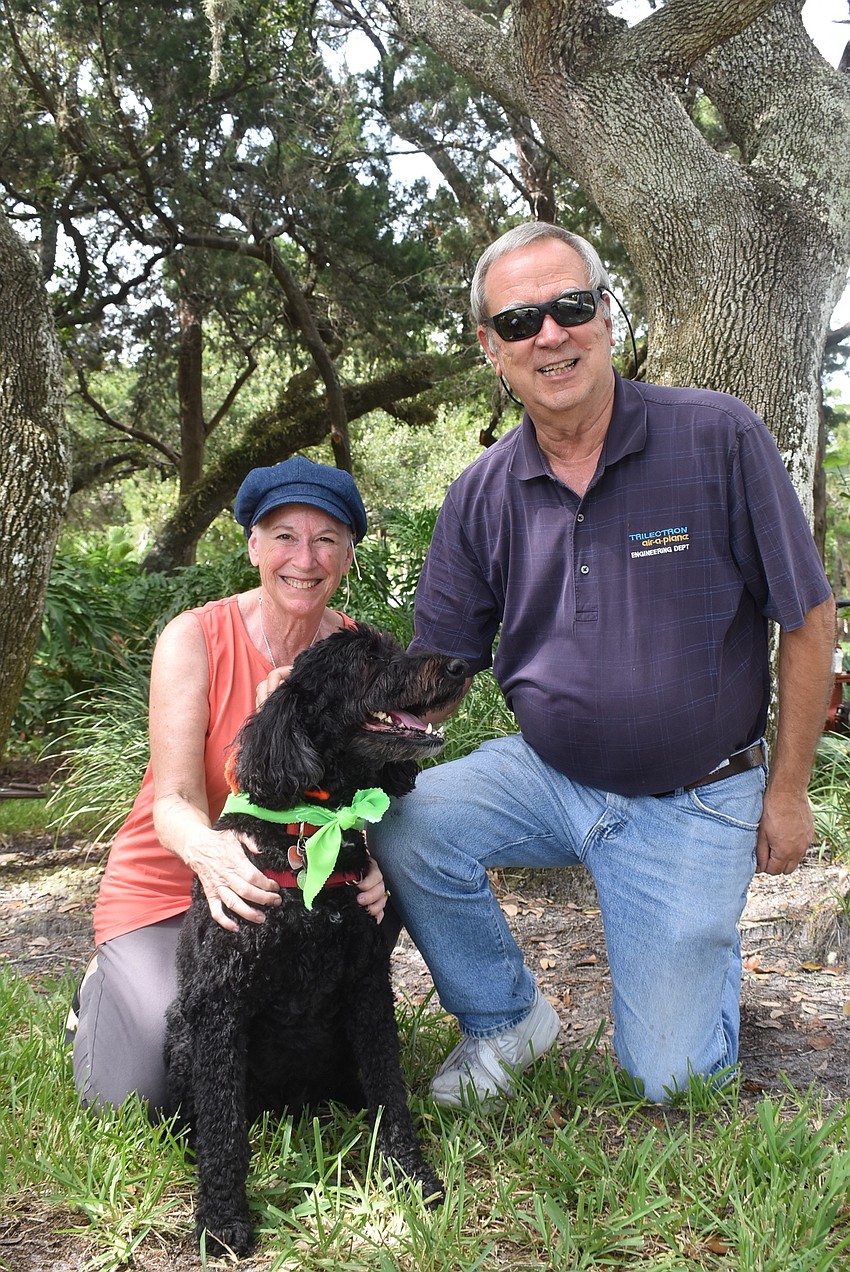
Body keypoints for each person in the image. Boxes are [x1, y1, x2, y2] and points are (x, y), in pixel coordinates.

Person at [370, 222, 836, 1107]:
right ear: (491, 350)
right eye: (519, 322)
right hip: (549, 775)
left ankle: (698, 956)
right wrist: (341, 752)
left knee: (668, 1084)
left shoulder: (717, 437)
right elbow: (438, 672)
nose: (550, 335)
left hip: (697, 796)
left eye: (570, 307)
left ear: (607, 315)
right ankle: (505, 1019)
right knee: (408, 822)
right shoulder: (480, 495)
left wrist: (788, 789)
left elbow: (808, 621)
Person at [71, 458, 389, 1112]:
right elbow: (175, 801)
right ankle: (103, 990)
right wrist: (212, 853)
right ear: (252, 546)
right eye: (284, 536)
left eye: (327, 538)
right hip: (168, 892)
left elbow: (357, 792)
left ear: (348, 555)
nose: (305, 557)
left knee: (288, 1080)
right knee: (141, 1097)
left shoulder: (356, 652)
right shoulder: (195, 639)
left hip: (288, 888)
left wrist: (370, 858)